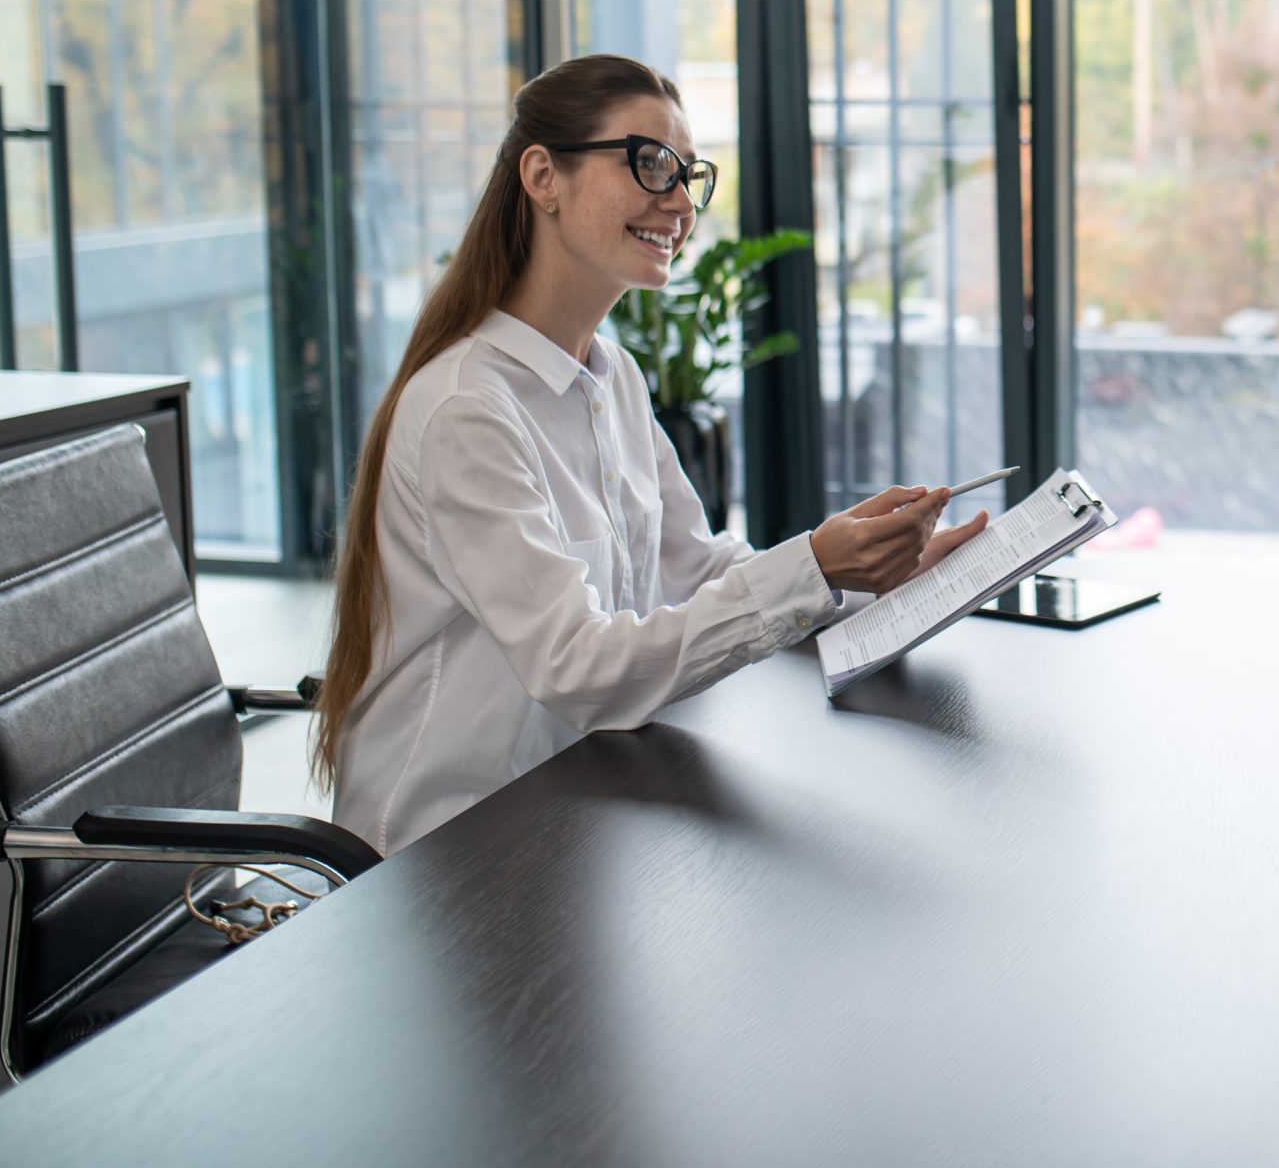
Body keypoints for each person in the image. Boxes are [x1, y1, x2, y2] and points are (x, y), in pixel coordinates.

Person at [313, 54, 988, 854]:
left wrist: (878, 581)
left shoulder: (613, 376)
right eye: (650, 164)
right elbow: (579, 667)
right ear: (542, 175)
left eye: (688, 175)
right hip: (443, 853)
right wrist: (814, 564)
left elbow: (694, 567)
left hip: (575, 807)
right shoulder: (468, 408)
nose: (678, 202)